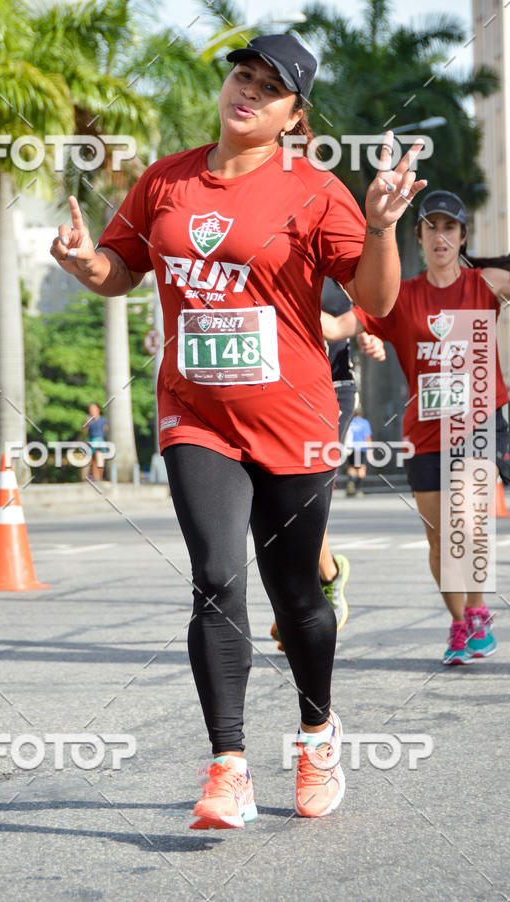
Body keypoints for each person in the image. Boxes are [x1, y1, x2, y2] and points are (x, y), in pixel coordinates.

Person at [50, 33, 426, 828]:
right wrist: (84, 262)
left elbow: (380, 301)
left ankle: (318, 734)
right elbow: (122, 270)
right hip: (198, 417)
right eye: (241, 75)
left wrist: (386, 224)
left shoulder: (317, 191)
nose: (246, 92)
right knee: (217, 579)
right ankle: (228, 766)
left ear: (294, 115)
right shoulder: (166, 180)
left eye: (269, 89)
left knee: (295, 593)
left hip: (295, 422)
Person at [322, 189, 510, 665]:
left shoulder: (484, 285)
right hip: (424, 433)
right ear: (420, 237)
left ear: (462, 236)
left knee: (462, 525)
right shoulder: (402, 297)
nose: (441, 237)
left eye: (450, 228)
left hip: (480, 425)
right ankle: (462, 623)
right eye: (432, 228)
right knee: (438, 538)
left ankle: (478, 611)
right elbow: (339, 325)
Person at [269, 281, 385, 649]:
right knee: (279, 499)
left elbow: (376, 305)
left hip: (332, 388)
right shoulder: (263, 255)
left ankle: (301, 605)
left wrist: (372, 336)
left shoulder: (338, 259)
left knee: (305, 495)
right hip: (277, 389)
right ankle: (326, 577)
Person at [344, 409, 373, 496]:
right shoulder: (364, 422)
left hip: (351, 447)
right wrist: (370, 450)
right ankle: (358, 489)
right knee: (361, 468)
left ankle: (350, 482)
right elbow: (367, 437)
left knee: (351, 466)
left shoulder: (349, 422)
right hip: (361, 447)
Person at [81, 402, 108, 481]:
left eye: (93, 408)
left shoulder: (103, 420)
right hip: (92, 441)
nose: (92, 410)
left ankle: (99, 478)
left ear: (98, 409)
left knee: (99, 458)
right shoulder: (88, 419)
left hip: (100, 441)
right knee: (94, 461)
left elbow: (106, 430)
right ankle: (97, 479)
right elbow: (84, 431)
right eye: (90, 409)